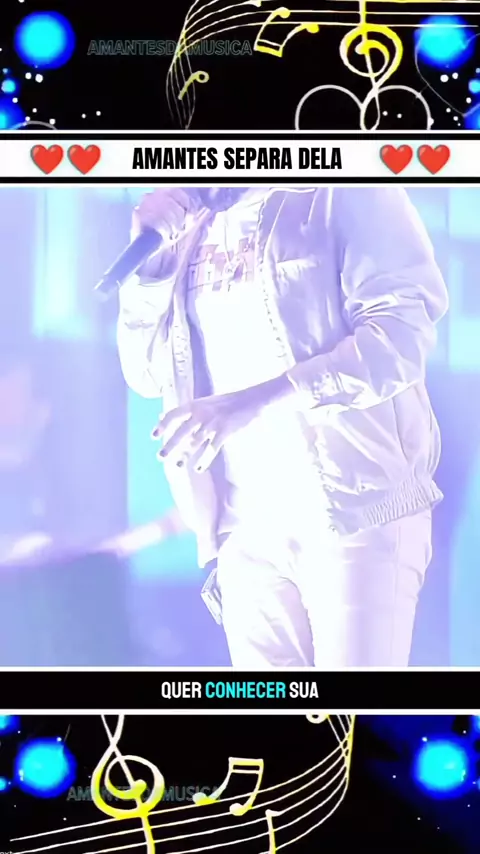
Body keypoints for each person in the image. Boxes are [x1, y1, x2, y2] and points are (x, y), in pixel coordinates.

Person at [117, 186, 449, 667]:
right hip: (242, 526)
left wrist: (252, 403)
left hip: (354, 511)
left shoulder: (347, 189)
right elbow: (146, 373)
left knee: (355, 711)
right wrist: (149, 270)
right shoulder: (188, 224)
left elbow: (398, 342)